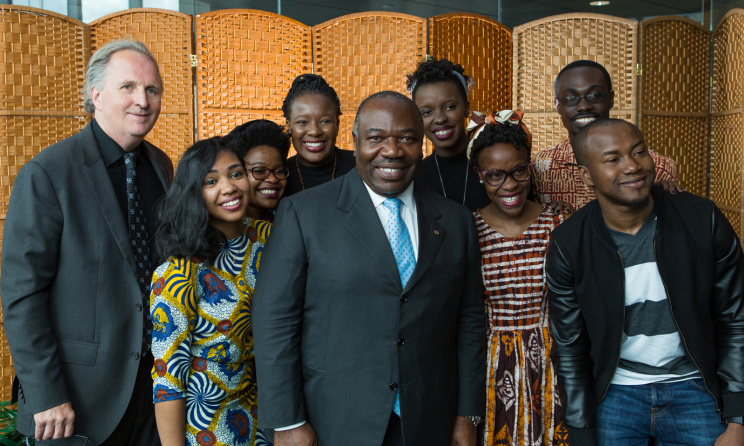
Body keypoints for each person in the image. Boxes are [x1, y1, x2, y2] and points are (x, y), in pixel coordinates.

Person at [253, 91, 486, 446]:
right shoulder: (303, 214)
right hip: (333, 420)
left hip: (429, 420)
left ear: (421, 144)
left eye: (407, 138)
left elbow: (469, 324)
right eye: (376, 138)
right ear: (356, 141)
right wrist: (286, 421)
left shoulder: (456, 221)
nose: (392, 151)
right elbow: (275, 322)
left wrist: (467, 414)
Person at [0, 40, 172, 444]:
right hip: (76, 401)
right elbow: (22, 295)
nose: (142, 101)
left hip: (155, 393)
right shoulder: (48, 173)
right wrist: (46, 394)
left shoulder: (162, 166)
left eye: (152, 89)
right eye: (127, 87)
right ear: (95, 95)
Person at [545, 118, 744, 446]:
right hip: (615, 394)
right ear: (586, 175)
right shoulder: (569, 244)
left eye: (639, 152)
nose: (633, 166)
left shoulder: (702, 219)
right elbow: (569, 349)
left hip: (695, 388)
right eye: (613, 159)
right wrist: (581, 433)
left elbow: (736, 320)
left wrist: (737, 418)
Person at [149, 137, 272, 446]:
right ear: (193, 194)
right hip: (207, 427)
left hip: (269, 419)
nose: (229, 187)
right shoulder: (178, 273)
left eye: (236, 173)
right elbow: (168, 379)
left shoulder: (270, 239)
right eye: (211, 181)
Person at [469, 110, 569, 446]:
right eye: (494, 175)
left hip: (553, 361)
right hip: (489, 362)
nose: (509, 185)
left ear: (530, 167)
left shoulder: (559, 223)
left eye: (518, 171)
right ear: (479, 175)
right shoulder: (468, 230)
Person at [533, 60, 680, 209]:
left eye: (595, 95)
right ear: (557, 105)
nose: (584, 106)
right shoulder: (540, 167)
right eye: (571, 98)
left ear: (610, 99)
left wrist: (656, 195)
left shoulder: (656, 167)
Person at [406, 57, 490, 212]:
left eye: (449, 107)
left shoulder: (493, 166)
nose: (440, 118)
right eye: (427, 112)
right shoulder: (414, 177)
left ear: (466, 108)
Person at [281, 73, 355, 196]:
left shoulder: (360, 168)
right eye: (302, 122)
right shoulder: (279, 178)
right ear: (289, 126)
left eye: (325, 121)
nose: (314, 131)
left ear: (337, 125)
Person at [226, 119, 291, 222]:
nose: (273, 179)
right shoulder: (222, 230)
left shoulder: (285, 223)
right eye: (259, 171)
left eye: (279, 171)